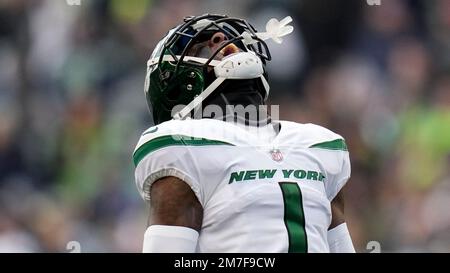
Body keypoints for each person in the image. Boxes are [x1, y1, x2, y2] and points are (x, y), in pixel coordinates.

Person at [133, 14, 355, 253]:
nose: (222, 38)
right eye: (201, 48)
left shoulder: (320, 144)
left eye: (231, 39)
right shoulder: (183, 145)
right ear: (180, 88)